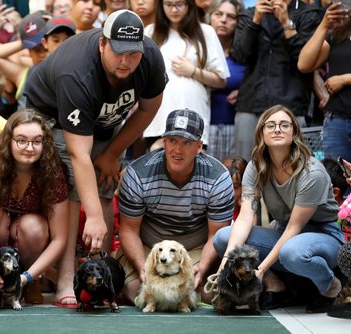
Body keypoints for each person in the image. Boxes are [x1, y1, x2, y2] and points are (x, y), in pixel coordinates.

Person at [24, 9, 167, 307]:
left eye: (133, 54)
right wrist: (93, 219)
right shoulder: (76, 71)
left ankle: (103, 276)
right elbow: (79, 154)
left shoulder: (150, 57)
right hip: (51, 113)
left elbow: (147, 109)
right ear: (102, 44)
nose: (126, 61)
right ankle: (65, 277)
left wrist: (113, 154)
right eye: (118, 53)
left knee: (104, 184)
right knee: (76, 192)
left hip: (106, 119)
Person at [213, 104, 345, 313]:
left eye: (284, 125)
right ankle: (276, 285)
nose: (277, 129)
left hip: (324, 235)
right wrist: (224, 264)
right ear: (261, 133)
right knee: (223, 238)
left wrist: (261, 269)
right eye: (271, 125)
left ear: (294, 133)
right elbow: (246, 217)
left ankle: (331, 286)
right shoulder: (256, 166)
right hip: (284, 233)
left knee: (292, 252)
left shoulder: (311, 172)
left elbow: (294, 229)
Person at [117, 109, 234, 302]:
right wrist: (142, 268)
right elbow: (129, 230)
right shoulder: (138, 174)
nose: (177, 150)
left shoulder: (218, 177)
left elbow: (216, 235)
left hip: (194, 247)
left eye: (186, 142)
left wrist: (201, 268)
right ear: (164, 143)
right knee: (137, 292)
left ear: (199, 146)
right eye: (172, 141)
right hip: (150, 247)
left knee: (204, 293)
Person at [0, 109, 69, 305]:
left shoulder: (53, 170)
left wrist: (26, 277)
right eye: (21, 140)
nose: (29, 147)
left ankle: (29, 284)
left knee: (34, 226)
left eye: (37, 141)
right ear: (8, 140)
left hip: (30, 241)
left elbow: (60, 238)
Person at [231, 0, 321, 161]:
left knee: (293, 167)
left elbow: (306, 61)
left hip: (292, 105)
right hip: (251, 104)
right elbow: (239, 56)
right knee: (244, 167)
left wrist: (287, 23)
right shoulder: (249, 14)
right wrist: (255, 22)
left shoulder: (308, 14)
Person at [142, 0, 229, 149]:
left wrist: (193, 71)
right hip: (158, 120)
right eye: (168, 4)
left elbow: (221, 80)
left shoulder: (206, 31)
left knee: (195, 170)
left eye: (179, 4)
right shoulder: (150, 31)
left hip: (194, 117)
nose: (174, 10)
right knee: (155, 169)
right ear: (161, 6)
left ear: (189, 5)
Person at [297, 2, 351, 162]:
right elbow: (304, 64)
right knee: (337, 182)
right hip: (337, 122)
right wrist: (324, 25)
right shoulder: (339, 34)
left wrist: (346, 79)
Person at [207, 0, 246, 161]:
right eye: (218, 14)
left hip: (236, 126)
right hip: (203, 126)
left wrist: (244, 92)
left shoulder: (244, 53)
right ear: (210, 17)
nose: (223, 20)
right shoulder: (197, 50)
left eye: (230, 16)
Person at [222, 156, 248, 223]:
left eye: (235, 187)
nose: (227, 192)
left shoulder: (247, 210)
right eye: (223, 187)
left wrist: (246, 209)